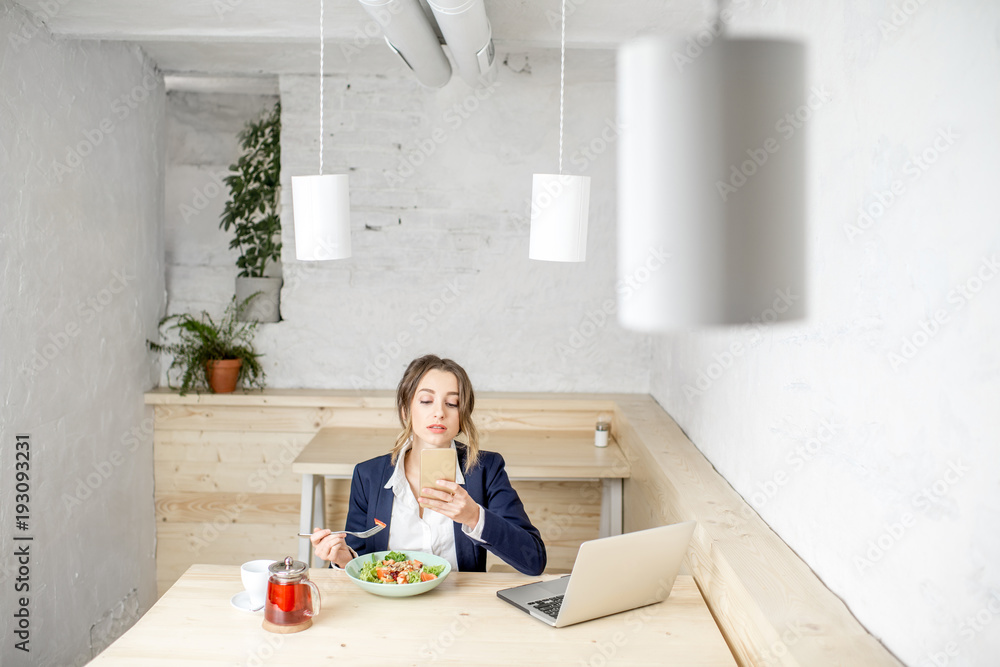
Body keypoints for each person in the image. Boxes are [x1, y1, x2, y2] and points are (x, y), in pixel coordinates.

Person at [308, 354, 546, 575]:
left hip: (460, 610)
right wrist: (343, 559)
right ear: (405, 411)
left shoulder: (486, 469)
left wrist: (474, 516)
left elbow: (533, 560)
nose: (439, 413)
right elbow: (359, 564)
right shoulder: (368, 475)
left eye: (452, 403)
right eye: (426, 400)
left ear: (462, 415)